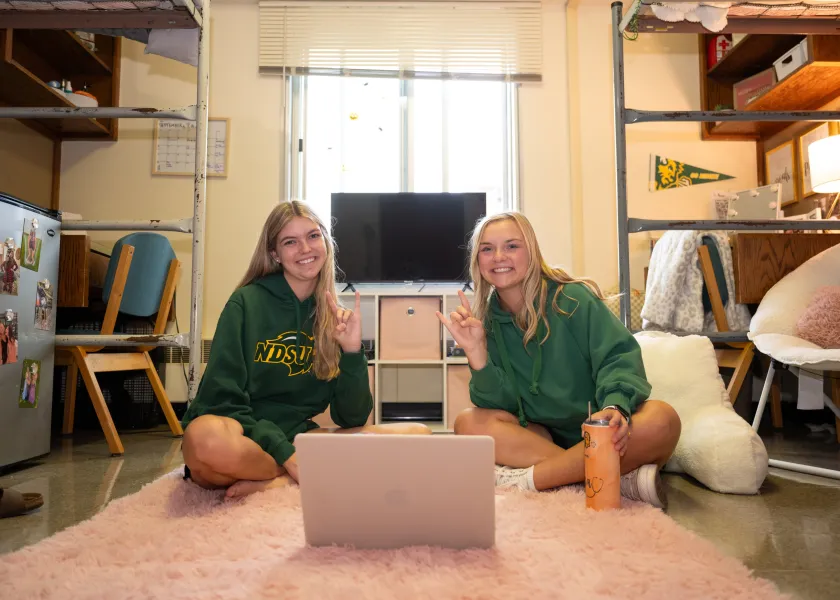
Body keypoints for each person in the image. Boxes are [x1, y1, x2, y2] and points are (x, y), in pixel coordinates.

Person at [181, 201, 429, 499]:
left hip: (301, 437)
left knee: (419, 436)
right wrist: (285, 453)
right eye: (290, 242)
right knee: (205, 442)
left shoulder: (333, 315)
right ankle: (297, 470)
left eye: (313, 236)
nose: (305, 249)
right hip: (242, 433)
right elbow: (221, 401)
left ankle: (278, 481)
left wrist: (352, 351)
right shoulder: (245, 304)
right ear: (274, 253)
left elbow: (351, 418)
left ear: (326, 241)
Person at [438, 212, 680, 508]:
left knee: (663, 419)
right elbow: (502, 405)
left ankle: (532, 479)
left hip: (601, 430)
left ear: (532, 252)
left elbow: (617, 356)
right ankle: (608, 477)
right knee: (468, 422)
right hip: (542, 439)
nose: (498, 256)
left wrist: (615, 405)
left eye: (512, 246)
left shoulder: (573, 298)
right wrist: (477, 355)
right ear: (478, 261)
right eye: (487, 249)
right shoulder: (484, 321)